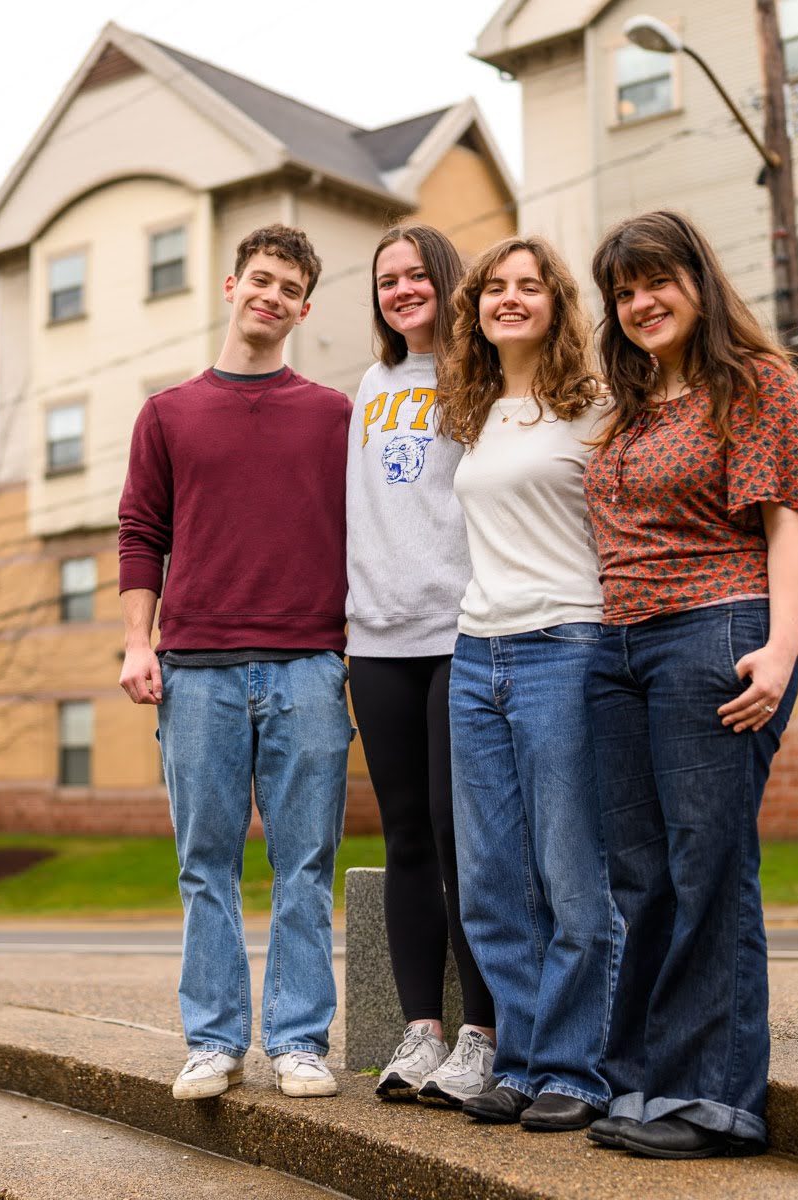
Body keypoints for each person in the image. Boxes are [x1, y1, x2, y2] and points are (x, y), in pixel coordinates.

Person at [581, 211, 798, 1159]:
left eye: (655, 281)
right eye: (624, 291)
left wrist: (781, 647)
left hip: (715, 635)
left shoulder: (753, 384)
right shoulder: (632, 408)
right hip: (619, 650)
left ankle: (715, 1099)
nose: (641, 303)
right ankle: (642, 1082)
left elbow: (789, 525)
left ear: (696, 279)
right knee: (640, 879)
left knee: (707, 870)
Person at [118, 224, 355, 1101]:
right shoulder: (169, 414)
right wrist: (139, 642)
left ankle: (297, 1038)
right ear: (230, 286)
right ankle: (213, 1040)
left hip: (307, 668)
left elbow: (365, 536)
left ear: (303, 309)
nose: (272, 296)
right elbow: (142, 533)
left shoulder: (334, 414)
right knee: (204, 862)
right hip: (197, 670)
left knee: (304, 864)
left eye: (289, 288)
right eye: (261, 279)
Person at [434, 235, 621, 1133]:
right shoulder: (473, 411)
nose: (511, 299)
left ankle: (577, 1068)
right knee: (493, 881)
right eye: (495, 288)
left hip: (566, 646)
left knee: (572, 876)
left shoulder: (596, 407)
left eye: (530, 287)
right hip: (477, 654)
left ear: (556, 304)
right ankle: (519, 1060)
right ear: (475, 307)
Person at [344, 224, 499, 1106]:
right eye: (386, 280)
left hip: (460, 630)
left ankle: (480, 1032)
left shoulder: (479, 378)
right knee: (402, 833)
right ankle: (420, 1031)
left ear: (448, 282)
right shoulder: (369, 384)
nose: (401, 290)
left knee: (456, 833)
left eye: (415, 275)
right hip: (377, 638)